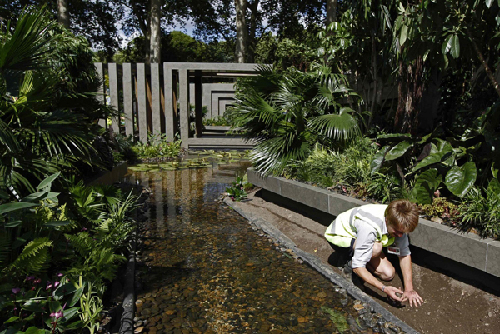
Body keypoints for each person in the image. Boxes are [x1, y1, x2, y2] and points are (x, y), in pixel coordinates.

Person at [324, 199, 423, 307]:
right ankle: (348, 263)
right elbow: (358, 267)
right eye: (397, 231)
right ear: (387, 220)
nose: (400, 235)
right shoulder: (369, 227)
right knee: (375, 248)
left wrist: (409, 289)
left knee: (388, 274)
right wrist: (384, 289)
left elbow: (404, 254)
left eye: (403, 232)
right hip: (340, 236)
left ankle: (361, 256)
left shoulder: (397, 218)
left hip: (364, 237)